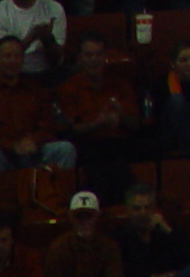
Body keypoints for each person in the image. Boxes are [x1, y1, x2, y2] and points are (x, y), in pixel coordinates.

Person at [0, 38, 69, 174]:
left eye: (17, 56)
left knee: (64, 149)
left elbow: (47, 124)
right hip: (2, 152)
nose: (13, 61)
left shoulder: (36, 89)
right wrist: (12, 145)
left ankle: (56, 194)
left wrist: (34, 141)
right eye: (7, 56)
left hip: (34, 150)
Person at [55, 38, 139, 193]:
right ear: (80, 58)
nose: (94, 60)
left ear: (105, 57)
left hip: (120, 142)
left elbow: (135, 124)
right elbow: (72, 129)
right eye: (88, 55)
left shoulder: (120, 84)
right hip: (89, 143)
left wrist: (121, 115)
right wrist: (98, 123)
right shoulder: (69, 88)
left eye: (98, 55)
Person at [112, 185, 190, 277]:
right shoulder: (120, 236)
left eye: (147, 208)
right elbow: (123, 271)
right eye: (137, 209)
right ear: (128, 210)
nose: (143, 213)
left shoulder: (166, 231)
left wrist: (168, 231)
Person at [42, 192, 120, 277]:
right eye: (78, 216)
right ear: (70, 216)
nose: (84, 222)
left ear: (97, 216)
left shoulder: (109, 247)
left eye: (88, 216)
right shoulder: (58, 248)